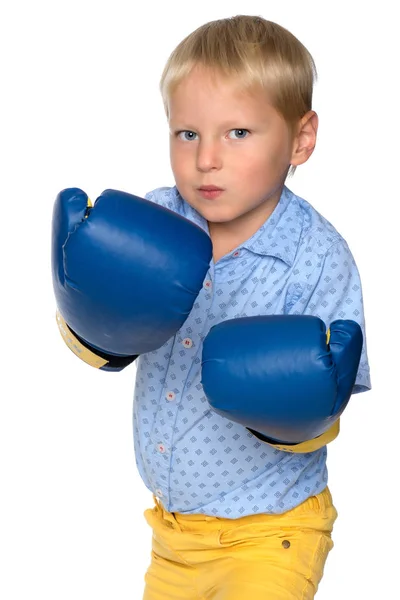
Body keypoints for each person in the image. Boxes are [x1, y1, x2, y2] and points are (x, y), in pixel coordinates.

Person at [51, 14, 371, 600]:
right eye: (188, 134)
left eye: (239, 133)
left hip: (273, 531)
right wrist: (93, 321)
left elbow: (327, 392)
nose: (207, 160)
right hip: (172, 535)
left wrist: (289, 401)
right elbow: (101, 346)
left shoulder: (316, 257)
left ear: (300, 140)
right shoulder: (154, 221)